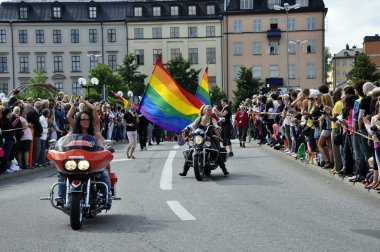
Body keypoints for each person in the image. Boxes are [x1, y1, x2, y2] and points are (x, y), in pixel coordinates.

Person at [57, 110, 112, 209]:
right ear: (79, 121)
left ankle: (107, 198)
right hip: (74, 162)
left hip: (90, 163)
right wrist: (58, 148)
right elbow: (63, 145)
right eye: (83, 119)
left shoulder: (96, 135)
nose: (85, 121)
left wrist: (107, 147)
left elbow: (104, 144)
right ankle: (61, 197)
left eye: (87, 119)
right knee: (61, 173)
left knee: (104, 174)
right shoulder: (72, 134)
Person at [179, 105, 229, 176]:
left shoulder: (212, 119)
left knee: (216, 151)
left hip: (209, 139)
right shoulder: (199, 119)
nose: (210, 111)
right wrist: (187, 128)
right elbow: (193, 125)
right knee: (191, 150)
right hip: (199, 139)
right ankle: (184, 171)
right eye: (208, 110)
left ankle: (224, 169)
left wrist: (217, 128)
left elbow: (215, 126)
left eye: (211, 110)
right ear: (204, 111)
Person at [27, 101, 43, 167]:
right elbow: (36, 123)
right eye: (41, 105)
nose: (41, 107)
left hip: (35, 132)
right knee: (37, 148)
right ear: (38, 106)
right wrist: (41, 129)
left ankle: (34, 161)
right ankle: (34, 162)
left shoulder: (36, 111)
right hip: (35, 132)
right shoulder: (33, 112)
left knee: (36, 148)